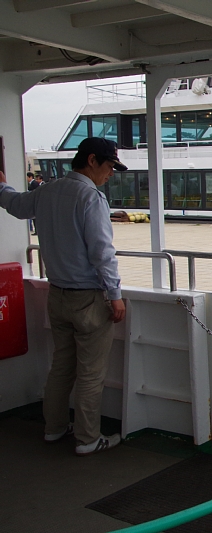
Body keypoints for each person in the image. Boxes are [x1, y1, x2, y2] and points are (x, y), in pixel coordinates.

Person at [0, 137, 127, 456]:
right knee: (90, 373)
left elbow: (15, 205)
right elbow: (102, 252)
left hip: (57, 296)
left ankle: (54, 428)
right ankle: (87, 439)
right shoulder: (91, 197)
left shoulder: (47, 190)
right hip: (89, 300)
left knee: (61, 366)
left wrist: (1, 187)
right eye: (110, 165)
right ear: (92, 160)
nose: (111, 173)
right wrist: (115, 294)